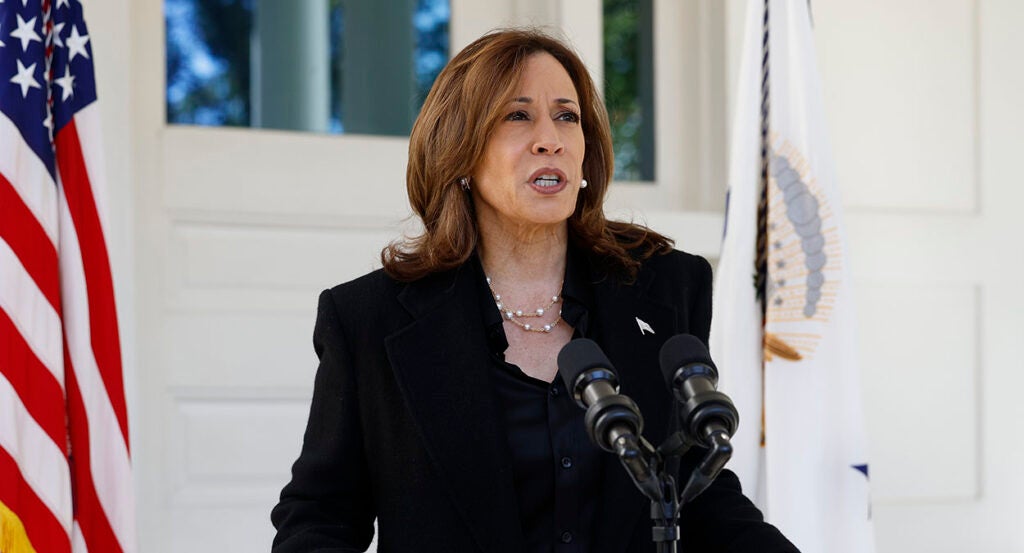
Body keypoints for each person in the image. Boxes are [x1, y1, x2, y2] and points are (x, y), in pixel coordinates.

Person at [271, 28, 798, 553]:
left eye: (567, 116)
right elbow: (320, 518)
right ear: (460, 152)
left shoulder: (668, 286)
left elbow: (692, 492)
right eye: (517, 115)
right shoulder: (368, 318)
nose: (551, 138)